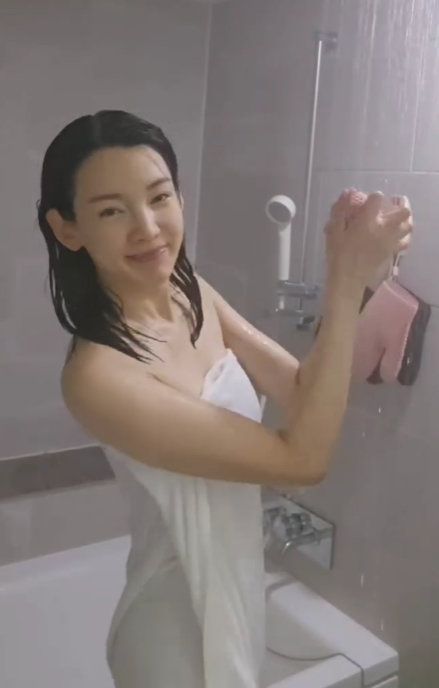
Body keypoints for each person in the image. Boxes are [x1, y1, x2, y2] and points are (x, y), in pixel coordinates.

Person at [37, 110, 412, 687]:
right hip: (170, 628)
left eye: (159, 197)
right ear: (68, 229)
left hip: (234, 590)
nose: (147, 227)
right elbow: (303, 461)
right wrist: (343, 278)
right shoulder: (98, 375)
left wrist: (358, 275)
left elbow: (302, 392)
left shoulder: (190, 292)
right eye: (112, 211)